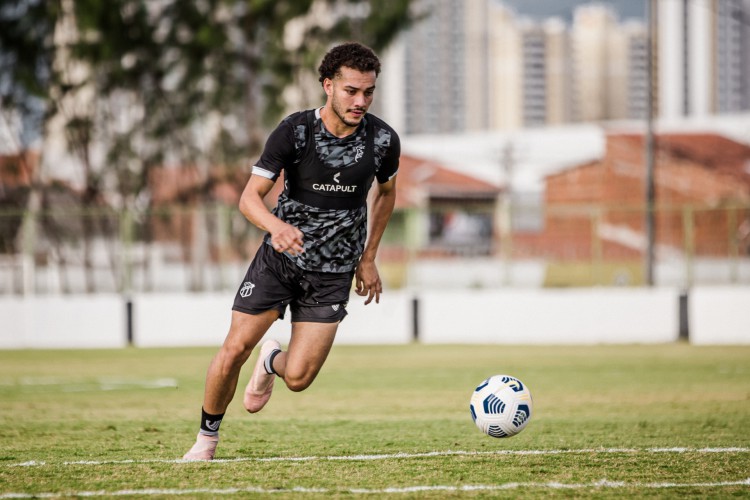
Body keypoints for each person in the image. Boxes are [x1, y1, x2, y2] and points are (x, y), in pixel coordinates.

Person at [183, 42, 400, 460]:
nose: (361, 101)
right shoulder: (294, 130)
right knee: (234, 349)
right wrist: (276, 226)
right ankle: (206, 440)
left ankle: (271, 364)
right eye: (352, 90)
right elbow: (249, 198)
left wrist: (368, 257)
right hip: (279, 263)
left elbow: (387, 193)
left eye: (369, 92)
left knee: (298, 378)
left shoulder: (383, 140)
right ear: (328, 85)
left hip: (333, 272)